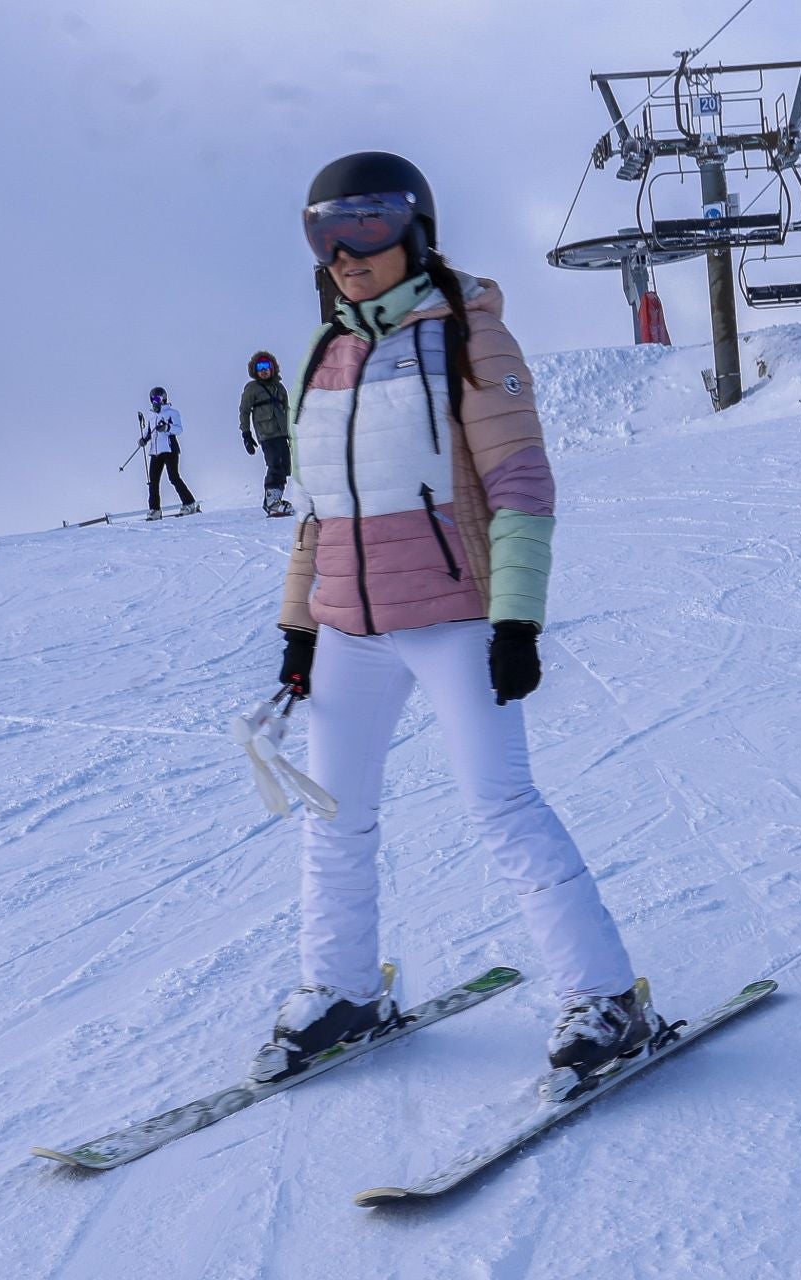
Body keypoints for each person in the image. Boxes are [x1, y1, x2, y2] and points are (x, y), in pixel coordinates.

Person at [248, 151, 656, 1092]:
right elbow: (321, 510)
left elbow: (519, 486)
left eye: (370, 225)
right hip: (350, 627)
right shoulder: (324, 351)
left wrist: (517, 619)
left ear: (416, 229)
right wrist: (299, 629)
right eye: (326, 231)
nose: (347, 252)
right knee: (335, 815)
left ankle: (604, 999)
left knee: (501, 804)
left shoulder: (469, 335)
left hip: (455, 615)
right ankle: (344, 989)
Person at [240, 352, 293, 516]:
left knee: (284, 467)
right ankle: (272, 501)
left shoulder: (279, 387)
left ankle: (274, 500)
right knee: (275, 464)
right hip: (267, 433)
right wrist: (246, 434)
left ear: (273, 368)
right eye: (260, 367)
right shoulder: (252, 389)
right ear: (254, 370)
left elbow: (288, 409)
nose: (263, 371)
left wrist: (292, 431)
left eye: (266, 367)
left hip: (282, 433)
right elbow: (244, 410)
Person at [141, 387, 200, 519]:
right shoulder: (151, 415)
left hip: (169, 450)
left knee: (173, 477)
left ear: (164, 398)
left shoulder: (172, 413)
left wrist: (167, 428)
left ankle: (189, 503)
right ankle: (155, 509)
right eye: (153, 399)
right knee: (153, 481)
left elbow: (179, 430)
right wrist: (143, 439)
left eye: (158, 398)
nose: (155, 402)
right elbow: (149, 432)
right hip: (155, 452)